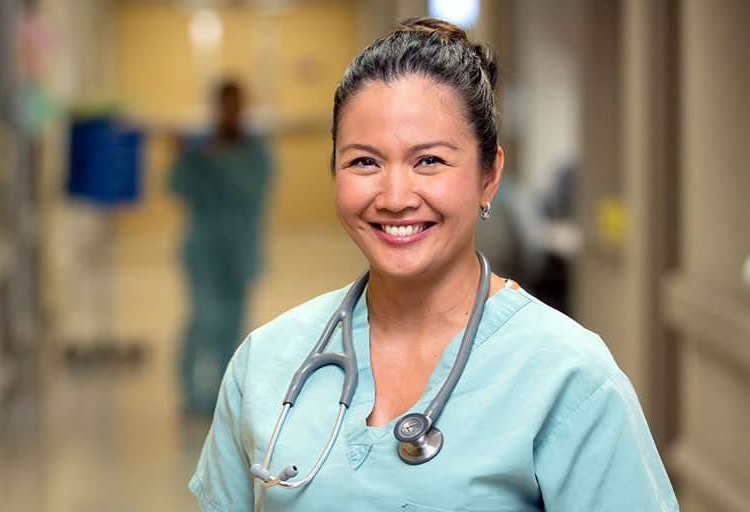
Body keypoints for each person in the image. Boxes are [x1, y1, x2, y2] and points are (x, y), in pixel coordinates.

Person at [189, 18, 678, 511]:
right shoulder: (267, 363)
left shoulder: (569, 378)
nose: (396, 197)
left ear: (489, 177)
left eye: (429, 161)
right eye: (364, 162)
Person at [170, 79, 273, 416]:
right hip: (203, 248)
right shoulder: (198, 145)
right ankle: (192, 394)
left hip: (240, 249)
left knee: (235, 323)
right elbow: (175, 186)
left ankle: (224, 394)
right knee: (203, 318)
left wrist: (220, 159)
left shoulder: (253, 149)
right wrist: (186, 156)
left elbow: (254, 189)